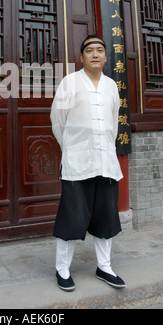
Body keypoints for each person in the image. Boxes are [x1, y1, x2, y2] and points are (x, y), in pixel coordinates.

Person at [50, 34, 126, 291]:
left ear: (105, 56)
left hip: (105, 161)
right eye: (89, 50)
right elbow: (57, 121)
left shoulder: (111, 86)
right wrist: (72, 148)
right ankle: (62, 269)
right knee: (71, 217)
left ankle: (104, 267)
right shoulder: (69, 83)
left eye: (100, 50)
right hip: (77, 163)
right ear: (81, 57)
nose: (95, 54)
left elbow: (114, 123)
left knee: (106, 218)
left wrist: (102, 146)